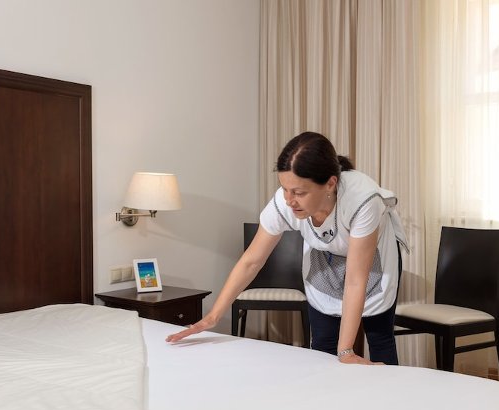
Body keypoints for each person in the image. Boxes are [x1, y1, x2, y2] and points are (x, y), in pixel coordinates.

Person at [166, 131, 407, 365]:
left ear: (330, 184)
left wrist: (346, 352)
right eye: (284, 189)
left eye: (299, 192)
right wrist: (212, 317)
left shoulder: (362, 201)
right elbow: (251, 261)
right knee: (322, 342)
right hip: (325, 256)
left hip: (373, 256)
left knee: (378, 335)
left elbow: (355, 280)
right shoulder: (285, 203)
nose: (290, 200)